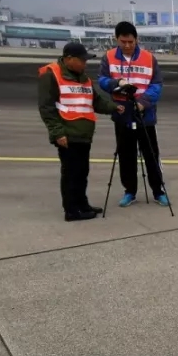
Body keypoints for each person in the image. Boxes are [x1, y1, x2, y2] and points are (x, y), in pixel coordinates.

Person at [38, 41, 123, 221]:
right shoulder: (52, 74)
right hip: (67, 134)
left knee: (82, 172)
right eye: (82, 60)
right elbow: (46, 108)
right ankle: (71, 210)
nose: (85, 63)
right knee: (71, 174)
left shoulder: (83, 77)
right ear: (69, 59)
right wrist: (57, 133)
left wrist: (115, 107)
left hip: (84, 134)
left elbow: (96, 101)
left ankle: (82, 203)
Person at [97, 21, 169, 207]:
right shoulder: (109, 57)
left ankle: (158, 190)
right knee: (125, 154)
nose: (127, 45)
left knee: (151, 153)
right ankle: (130, 191)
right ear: (117, 39)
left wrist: (143, 103)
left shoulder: (149, 58)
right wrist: (116, 83)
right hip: (122, 112)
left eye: (131, 42)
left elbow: (157, 85)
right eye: (123, 42)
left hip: (145, 113)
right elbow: (102, 80)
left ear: (136, 40)